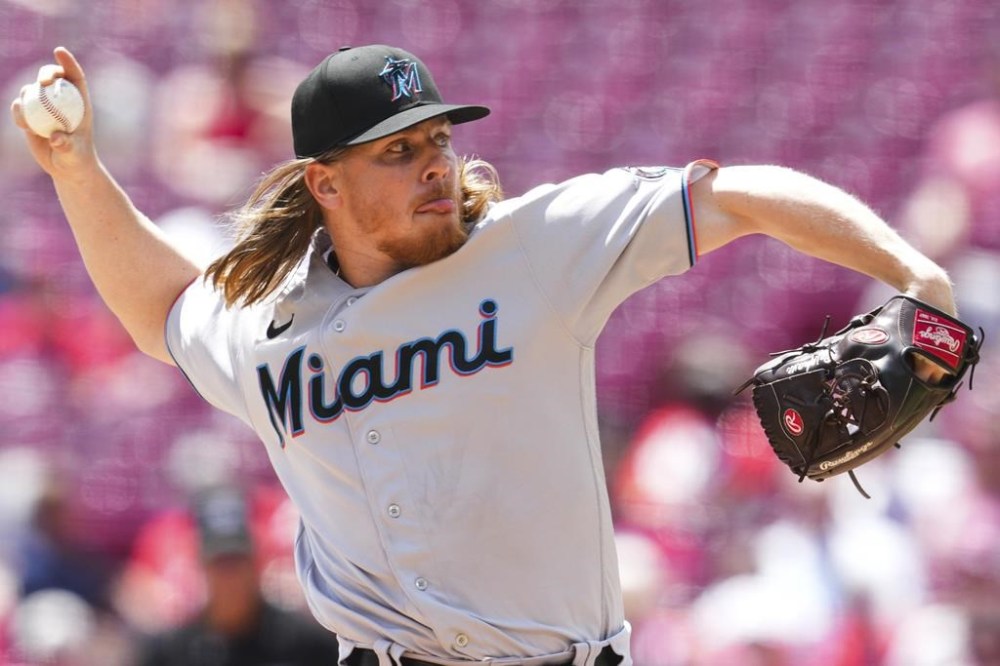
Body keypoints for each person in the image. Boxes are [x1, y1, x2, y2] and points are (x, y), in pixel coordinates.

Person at [11, 44, 958, 666]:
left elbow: (740, 194)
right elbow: (163, 309)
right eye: (396, 150)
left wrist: (913, 271)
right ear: (323, 181)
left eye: (436, 138)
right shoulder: (268, 326)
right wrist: (77, 170)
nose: (433, 161)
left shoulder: (537, 247)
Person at [133, 485, 340, 666]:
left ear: (256, 563)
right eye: (220, 564)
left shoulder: (306, 643)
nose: (230, 577)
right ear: (202, 567)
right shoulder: (171, 652)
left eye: (237, 562)